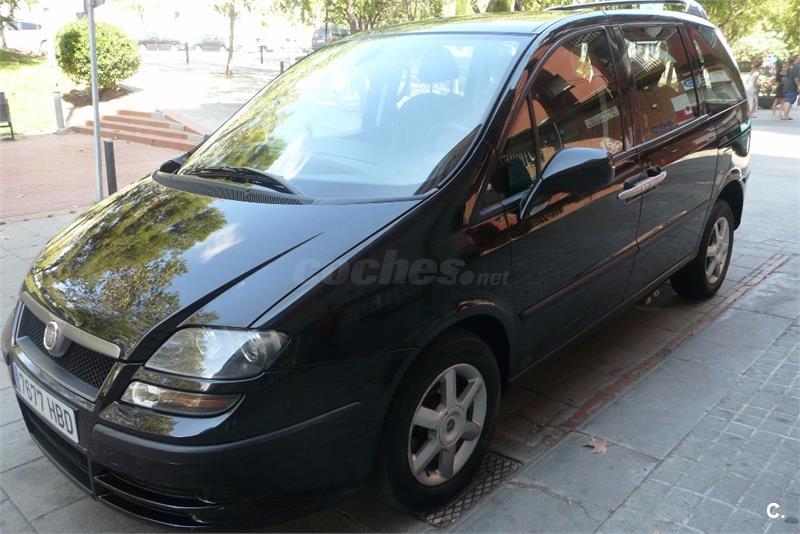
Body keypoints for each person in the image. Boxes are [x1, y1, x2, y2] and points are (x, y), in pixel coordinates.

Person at [780, 54, 800, 120]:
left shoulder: (790, 65)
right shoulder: (797, 66)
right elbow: (796, 78)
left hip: (786, 85)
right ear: (796, 59)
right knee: (789, 100)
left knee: (789, 100)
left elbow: (784, 74)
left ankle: (786, 115)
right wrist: (798, 85)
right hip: (792, 85)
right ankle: (784, 115)